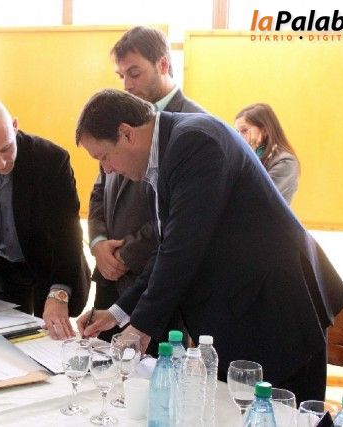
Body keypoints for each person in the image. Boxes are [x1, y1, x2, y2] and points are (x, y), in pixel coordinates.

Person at [75, 89, 343, 404]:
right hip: (244, 309)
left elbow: (182, 249)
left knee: (285, 414)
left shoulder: (194, 141)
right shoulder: (165, 154)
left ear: (127, 134)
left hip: (276, 309)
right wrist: (117, 313)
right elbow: (167, 247)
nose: (107, 170)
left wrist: (139, 328)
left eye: (103, 157)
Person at [88, 26, 206, 342]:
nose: (127, 85)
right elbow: (100, 187)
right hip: (111, 279)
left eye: (135, 73)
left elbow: (180, 219)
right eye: (121, 76)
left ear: (163, 64)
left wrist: (125, 254)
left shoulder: (194, 128)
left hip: (157, 282)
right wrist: (98, 242)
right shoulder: (119, 120)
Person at [0, 99, 90, 340]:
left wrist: (59, 293)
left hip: (50, 265)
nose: (1, 163)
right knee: (7, 340)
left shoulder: (51, 159)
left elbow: (67, 232)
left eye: (6, 148)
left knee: (50, 338)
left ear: (14, 126)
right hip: (3, 268)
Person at [235, 103, 300, 203]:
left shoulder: (285, 162)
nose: (239, 137)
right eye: (237, 132)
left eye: (244, 130)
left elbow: (259, 201)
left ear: (265, 130)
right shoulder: (250, 156)